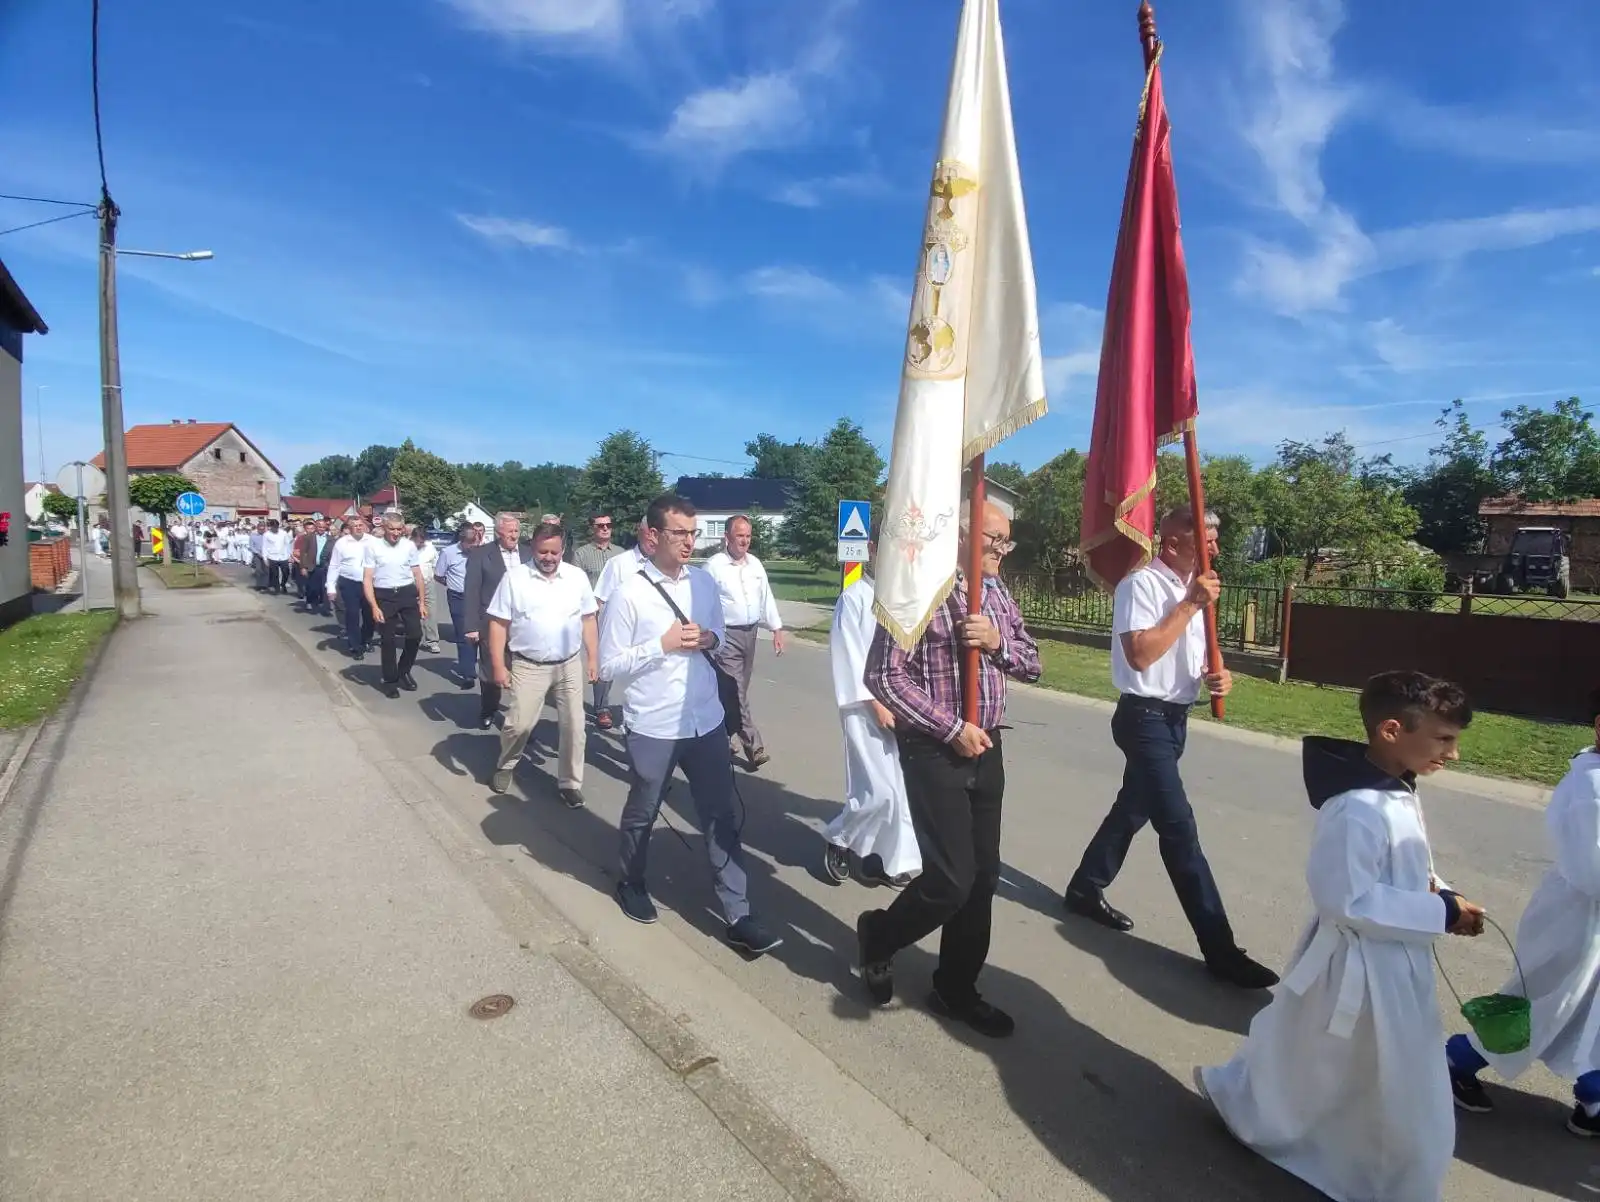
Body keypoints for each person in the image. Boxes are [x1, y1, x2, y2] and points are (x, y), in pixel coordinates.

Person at [1197, 671, 1485, 1202]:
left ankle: (1303, 1131)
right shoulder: (1356, 809)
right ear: (1392, 731)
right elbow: (1347, 899)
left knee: (1324, 1060)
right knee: (1396, 1083)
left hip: (1392, 957)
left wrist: (1444, 893)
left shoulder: (1397, 789)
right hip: (1362, 967)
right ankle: (1390, 1177)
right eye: (1444, 739)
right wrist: (1440, 912)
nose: (1454, 753)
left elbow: (1405, 866)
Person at [1061, 506, 1277, 990]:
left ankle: (1085, 887)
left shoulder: (1195, 590)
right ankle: (1220, 948)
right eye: (1205, 538)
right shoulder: (1141, 585)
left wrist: (1218, 676)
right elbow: (1141, 655)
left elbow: (1186, 657)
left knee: (1132, 810)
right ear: (1173, 541)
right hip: (1144, 719)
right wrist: (1190, 606)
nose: (1215, 548)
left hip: (1176, 719)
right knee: (1179, 828)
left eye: (1217, 539)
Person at [856, 500, 1040, 1037]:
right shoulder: (917, 590)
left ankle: (957, 988)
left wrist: (997, 643)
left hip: (989, 747)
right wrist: (951, 728)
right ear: (961, 535)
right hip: (935, 749)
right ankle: (880, 935)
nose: (1003, 551)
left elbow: (1033, 662)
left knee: (983, 879)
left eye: (1006, 540)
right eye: (994, 539)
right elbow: (883, 676)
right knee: (952, 880)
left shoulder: (996, 591)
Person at [599, 493, 780, 957]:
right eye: (679, 533)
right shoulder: (629, 592)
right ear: (653, 535)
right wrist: (660, 645)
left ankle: (738, 914)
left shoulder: (703, 584)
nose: (688, 542)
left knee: (721, 815)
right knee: (644, 809)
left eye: (693, 533)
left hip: (706, 720)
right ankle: (631, 881)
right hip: (654, 723)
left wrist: (709, 638)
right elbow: (607, 665)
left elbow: (720, 638)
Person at [1446, 685, 1600, 1134]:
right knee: (1541, 1005)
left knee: (1589, 1011)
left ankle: (1594, 1094)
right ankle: (1457, 1059)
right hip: (1575, 922)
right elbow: (1592, 870)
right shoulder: (1591, 789)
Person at [823, 526, 919, 889]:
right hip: (864, 708)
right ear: (873, 549)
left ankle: (892, 861)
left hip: (905, 708)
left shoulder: (905, 598)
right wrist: (876, 705)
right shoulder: (855, 598)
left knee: (903, 791)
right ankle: (840, 838)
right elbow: (848, 657)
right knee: (877, 791)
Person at [485, 522, 597, 807]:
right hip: (528, 665)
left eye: (554, 552)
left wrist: (593, 658)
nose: (548, 557)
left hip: (569, 664)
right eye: (543, 551)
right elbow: (498, 624)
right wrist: (498, 666)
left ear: (563, 550)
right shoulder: (515, 579)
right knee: (518, 725)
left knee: (575, 727)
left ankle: (570, 783)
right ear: (533, 548)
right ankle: (505, 764)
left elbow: (588, 619)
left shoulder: (576, 578)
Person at [704, 516, 786, 769]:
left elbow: (766, 597)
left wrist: (776, 628)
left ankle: (721, 735)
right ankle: (754, 746)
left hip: (751, 634)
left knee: (735, 692)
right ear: (726, 537)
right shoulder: (713, 567)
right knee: (737, 691)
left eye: (748, 536)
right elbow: (700, 602)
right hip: (726, 635)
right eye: (739, 535)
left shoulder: (755, 565)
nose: (744, 541)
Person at [462, 514, 533, 729]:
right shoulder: (481, 555)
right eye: (510, 531)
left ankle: (520, 720)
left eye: (516, 531)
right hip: (492, 622)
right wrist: (472, 626)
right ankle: (489, 709)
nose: (514, 535)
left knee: (523, 673)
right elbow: (472, 591)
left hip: (523, 624)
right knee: (491, 670)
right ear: (498, 532)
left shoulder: (529, 553)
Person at [363, 514, 427, 699]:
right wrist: (374, 606)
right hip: (384, 595)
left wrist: (422, 602)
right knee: (388, 640)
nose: (396, 533)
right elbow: (367, 578)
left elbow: (418, 575)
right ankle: (390, 681)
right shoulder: (373, 547)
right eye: (392, 529)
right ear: (384, 528)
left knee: (415, 634)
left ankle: (404, 671)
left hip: (406, 593)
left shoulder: (409, 546)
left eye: (399, 529)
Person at [568, 513, 623, 730]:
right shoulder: (581, 554)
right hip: (595, 615)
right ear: (593, 528)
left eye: (608, 525)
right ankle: (602, 708)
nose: (605, 528)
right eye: (600, 525)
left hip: (619, 614)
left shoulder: (620, 554)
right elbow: (575, 586)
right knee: (601, 659)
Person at [436, 523, 480, 689]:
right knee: (464, 636)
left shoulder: (481, 552)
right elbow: (439, 575)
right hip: (458, 597)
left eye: (476, 542)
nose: (473, 546)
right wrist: (452, 585)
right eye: (470, 543)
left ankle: (474, 665)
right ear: (461, 541)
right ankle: (468, 674)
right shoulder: (448, 553)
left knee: (479, 636)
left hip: (479, 597)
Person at [326, 516, 374, 657]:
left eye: (360, 525)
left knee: (369, 614)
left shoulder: (373, 541)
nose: (359, 528)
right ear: (349, 528)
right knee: (352, 614)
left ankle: (366, 639)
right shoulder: (342, 543)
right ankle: (355, 645)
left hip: (369, 583)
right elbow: (334, 565)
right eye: (355, 525)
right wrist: (330, 587)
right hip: (349, 582)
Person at [411, 526, 442, 653]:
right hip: (410, 583)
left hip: (427, 582)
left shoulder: (430, 547)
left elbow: (435, 564)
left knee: (431, 612)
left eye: (422, 541)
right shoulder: (405, 547)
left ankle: (432, 641)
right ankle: (413, 639)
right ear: (413, 538)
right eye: (418, 541)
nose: (420, 544)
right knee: (412, 613)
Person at [297, 517, 334, 614]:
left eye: (323, 527)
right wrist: (303, 567)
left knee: (324, 587)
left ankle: (326, 604)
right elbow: (303, 553)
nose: (321, 529)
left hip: (324, 566)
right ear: (316, 527)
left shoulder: (330, 539)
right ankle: (309, 601)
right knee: (312, 587)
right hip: (312, 566)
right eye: (319, 527)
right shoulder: (309, 537)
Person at [262, 519, 294, 594]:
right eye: (273, 527)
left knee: (286, 572)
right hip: (272, 557)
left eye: (276, 527)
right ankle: (277, 588)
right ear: (271, 527)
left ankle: (283, 584)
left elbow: (287, 544)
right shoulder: (266, 535)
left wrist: (290, 555)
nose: (275, 528)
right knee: (275, 574)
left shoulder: (283, 533)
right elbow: (264, 547)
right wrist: (265, 558)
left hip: (283, 556)